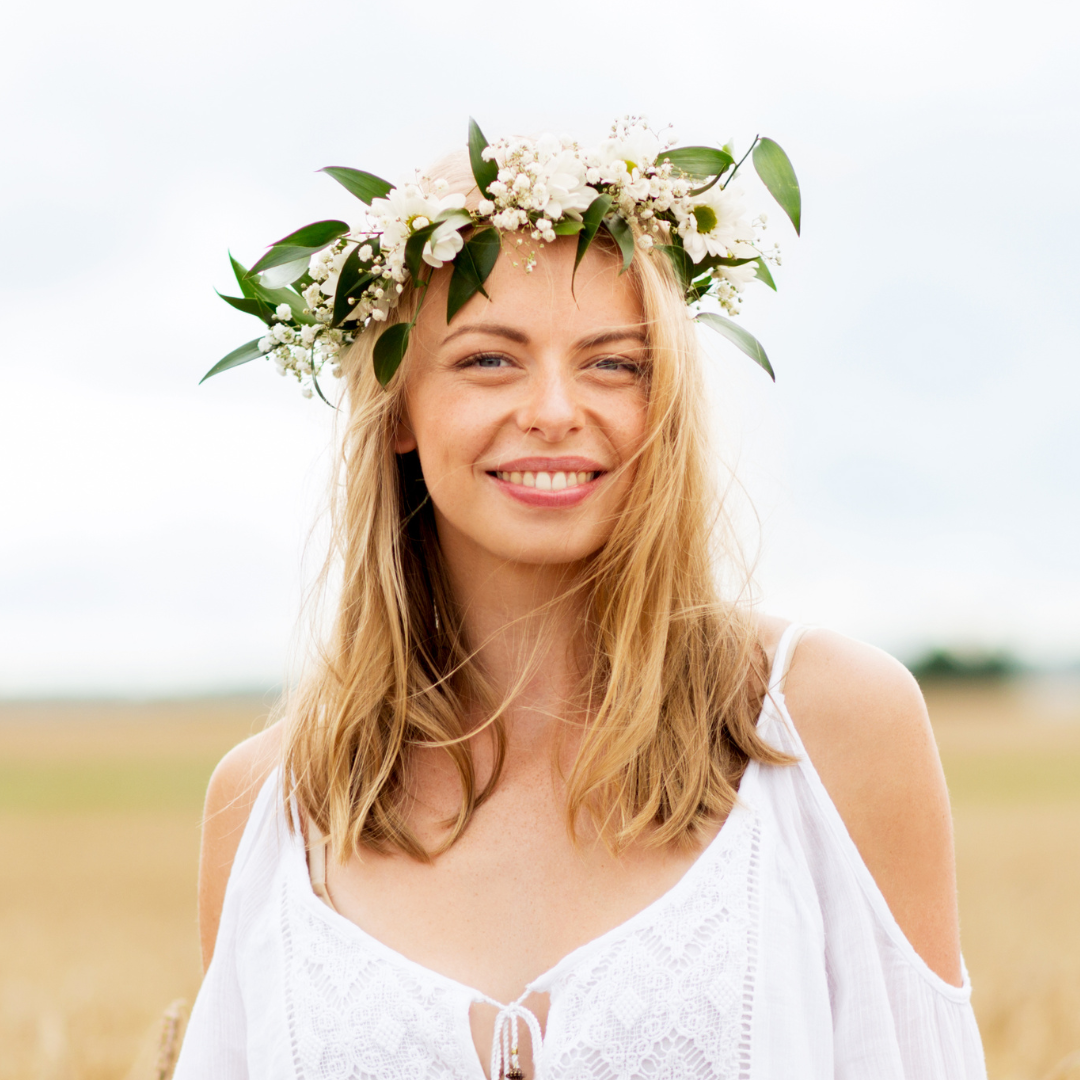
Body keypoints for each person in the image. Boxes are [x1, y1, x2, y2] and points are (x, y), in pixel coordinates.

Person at [174, 121, 987, 1079]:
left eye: (615, 362)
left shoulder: (827, 727)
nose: (556, 409)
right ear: (395, 407)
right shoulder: (275, 808)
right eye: (488, 359)